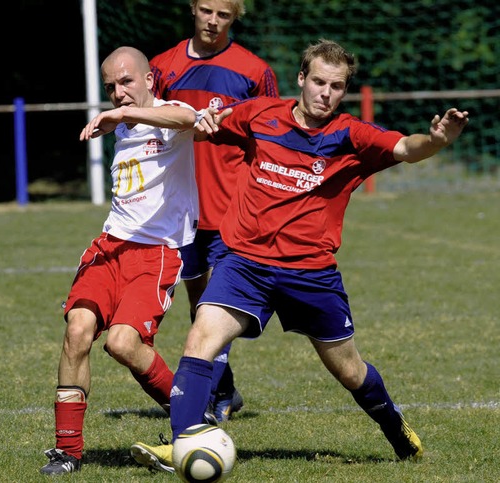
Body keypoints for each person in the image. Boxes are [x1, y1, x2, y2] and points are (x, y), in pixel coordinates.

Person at [130, 38, 469, 473]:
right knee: (200, 341)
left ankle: (393, 425)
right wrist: (201, 120)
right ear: (301, 80)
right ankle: (182, 443)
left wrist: (437, 140)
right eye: (319, 82)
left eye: (337, 86)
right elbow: (205, 126)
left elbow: (406, 148)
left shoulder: (351, 135)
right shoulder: (261, 115)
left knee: (349, 371)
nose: (326, 93)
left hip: (311, 274)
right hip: (245, 264)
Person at [39, 45, 222, 475]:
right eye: (111, 88)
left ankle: (191, 414)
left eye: (126, 82)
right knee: (77, 331)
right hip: (110, 246)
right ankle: (68, 452)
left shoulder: (166, 113)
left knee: (122, 343)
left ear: (148, 81)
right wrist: (122, 119)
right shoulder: (123, 123)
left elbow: (187, 119)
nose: (119, 93)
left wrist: (124, 115)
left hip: (155, 254)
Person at [149, 0, 280, 423]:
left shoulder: (254, 71)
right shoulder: (163, 66)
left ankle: (208, 400)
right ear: (192, 8)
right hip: (181, 208)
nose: (213, 20)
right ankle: (224, 388)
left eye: (223, 15)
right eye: (206, 10)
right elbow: (149, 129)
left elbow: (273, 136)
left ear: (234, 17)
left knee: (216, 304)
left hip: (233, 210)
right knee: (196, 300)